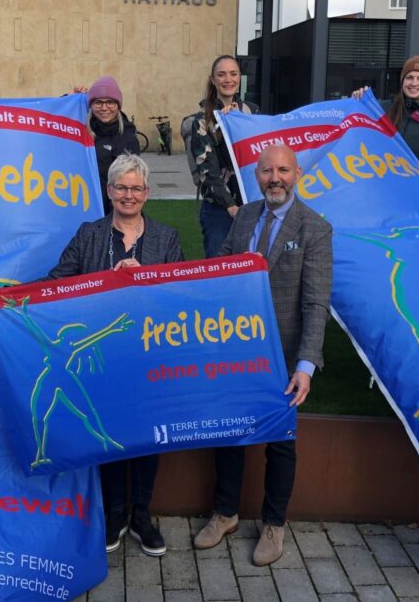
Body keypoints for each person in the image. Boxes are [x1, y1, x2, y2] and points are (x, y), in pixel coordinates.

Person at [193, 144, 333, 566]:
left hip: (284, 356)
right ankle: (226, 512)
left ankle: (274, 524)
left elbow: (315, 304)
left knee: (280, 443)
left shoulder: (315, 228)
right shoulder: (247, 216)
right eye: (268, 170)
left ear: (297, 174)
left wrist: (306, 365)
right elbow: (219, 268)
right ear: (256, 175)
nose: (275, 177)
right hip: (236, 349)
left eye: (283, 170)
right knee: (230, 433)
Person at [43, 154, 183, 557]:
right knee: (106, 433)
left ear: (147, 193)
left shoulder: (166, 237)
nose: (128, 194)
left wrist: (144, 279)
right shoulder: (89, 234)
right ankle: (114, 513)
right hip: (100, 356)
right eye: (121, 187)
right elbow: (57, 283)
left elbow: (178, 294)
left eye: (136, 188)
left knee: (146, 435)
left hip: (147, 355)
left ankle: (142, 514)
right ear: (108, 191)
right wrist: (5, 298)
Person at [190, 55, 259, 257]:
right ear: (213, 79)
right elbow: (208, 172)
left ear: (240, 77)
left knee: (250, 268)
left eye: (233, 74)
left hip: (251, 204)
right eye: (221, 75)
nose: (228, 80)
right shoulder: (202, 120)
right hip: (220, 209)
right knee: (219, 270)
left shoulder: (252, 112)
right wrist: (231, 207)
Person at [353, 55, 419, 172]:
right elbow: (357, 129)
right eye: (409, 77)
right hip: (380, 180)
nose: (414, 83)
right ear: (402, 80)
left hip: (416, 184)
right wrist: (358, 99)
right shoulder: (382, 108)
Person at [81, 76, 140, 215]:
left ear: (118, 105)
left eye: (110, 102)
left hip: (112, 211)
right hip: (83, 205)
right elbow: (55, 125)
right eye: (98, 102)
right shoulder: (83, 131)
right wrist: (70, 99)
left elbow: (127, 184)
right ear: (91, 105)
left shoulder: (127, 138)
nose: (104, 108)